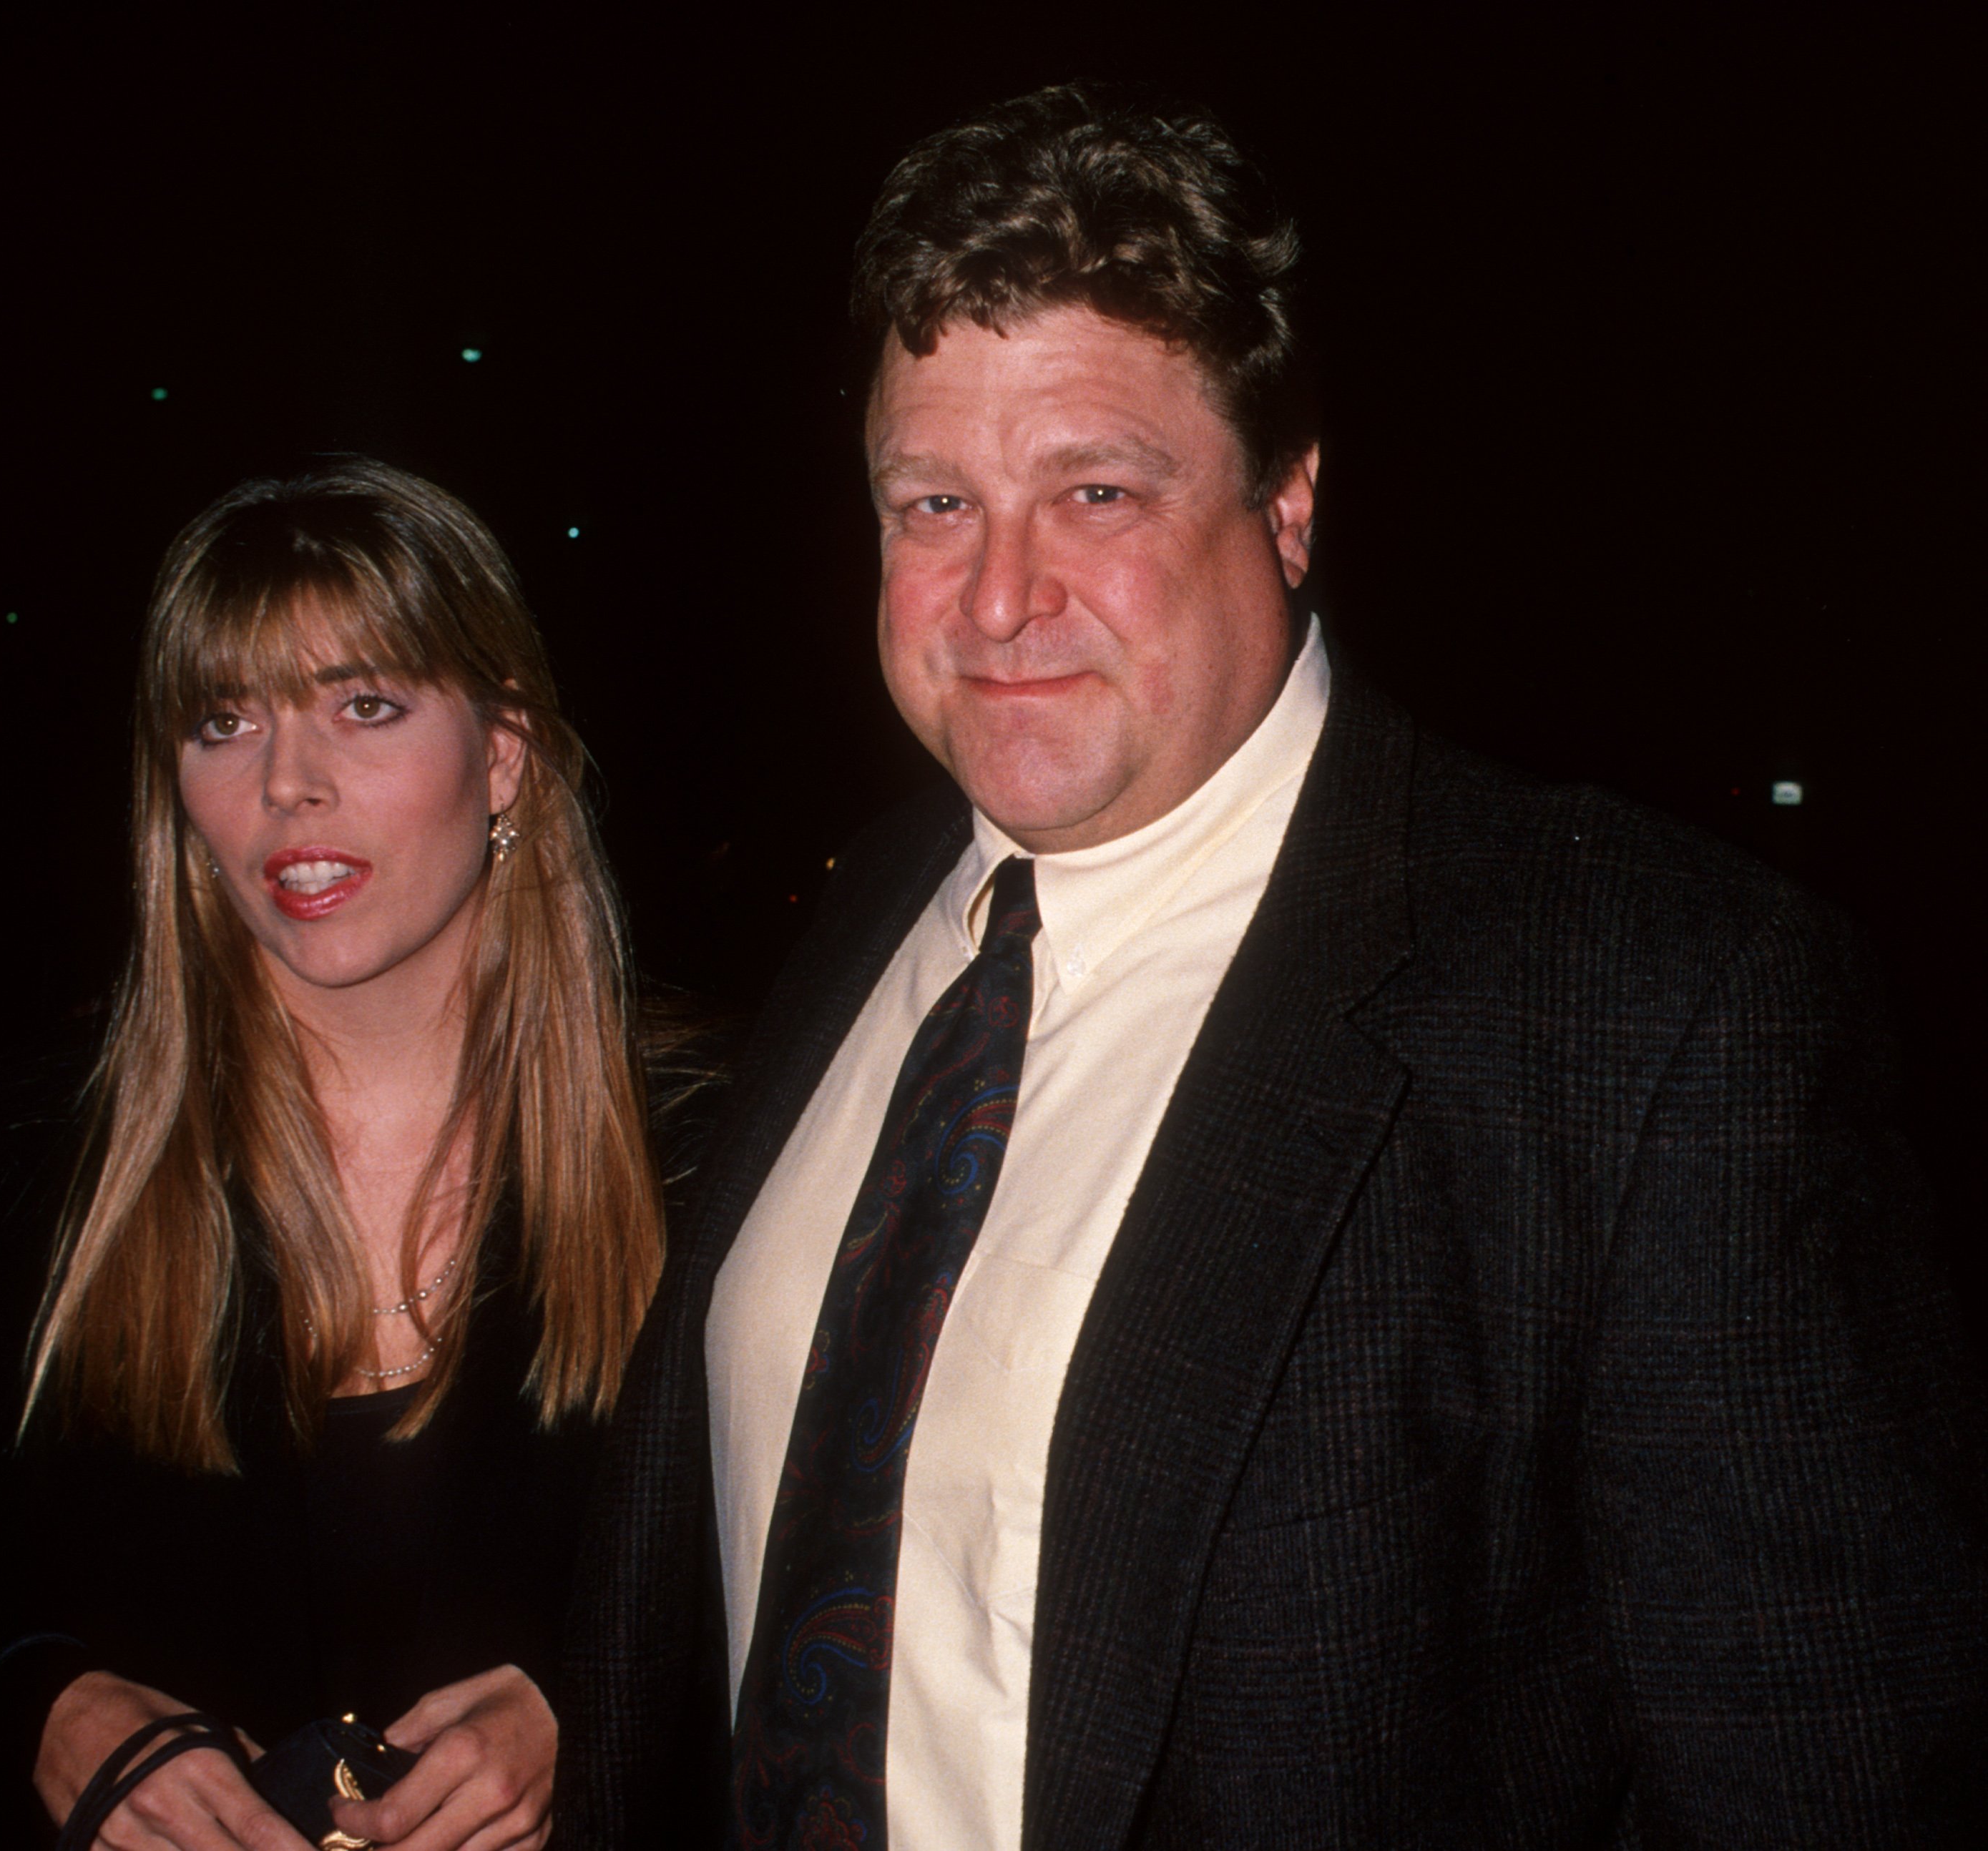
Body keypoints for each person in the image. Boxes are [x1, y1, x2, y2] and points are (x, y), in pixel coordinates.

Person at [556, 84, 1987, 1848]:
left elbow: (1831, 1784)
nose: (998, 596)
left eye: (1095, 490)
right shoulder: (866, 925)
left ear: (1289, 505)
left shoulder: (1656, 1013)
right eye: (934, 501)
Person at [0, 458, 667, 1850]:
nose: (288, 783)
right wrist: (37, 1703)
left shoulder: (715, 1162)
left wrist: (605, 1700)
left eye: (366, 705)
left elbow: (851, 1600)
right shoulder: (22, 1183)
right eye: (224, 722)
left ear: (502, 750)